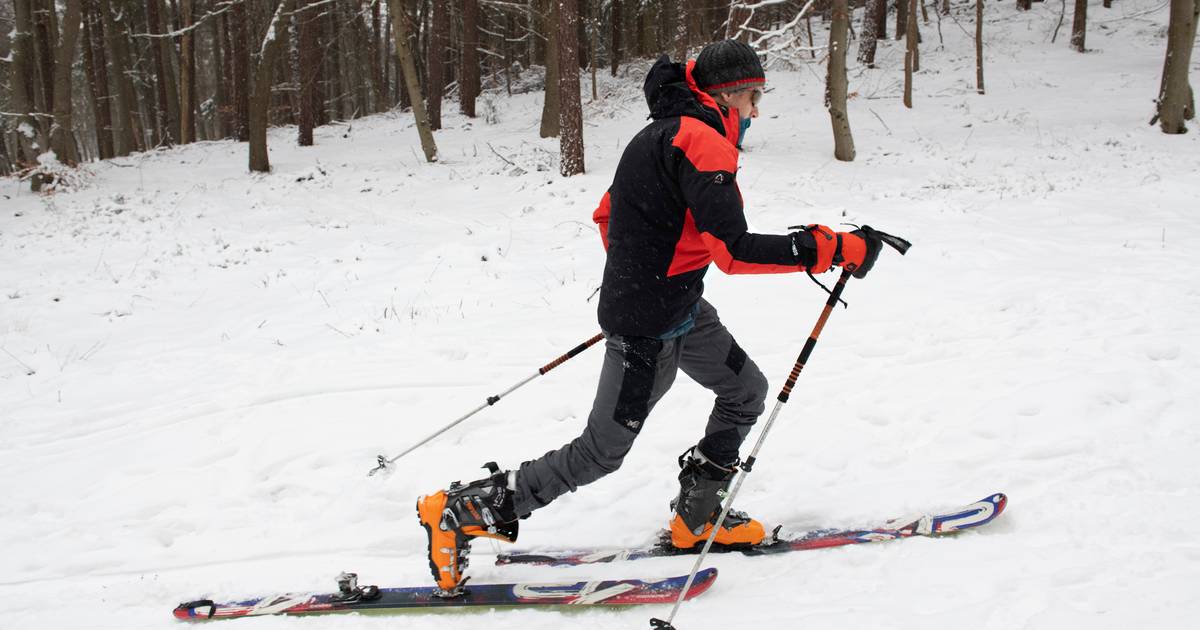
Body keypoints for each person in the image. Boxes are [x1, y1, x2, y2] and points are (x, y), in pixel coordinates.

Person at [415, 40, 883, 596]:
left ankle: (698, 517)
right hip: (648, 327)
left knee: (744, 391)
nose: (757, 112)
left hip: (681, 306)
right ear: (729, 96)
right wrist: (831, 249)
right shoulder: (703, 143)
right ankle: (458, 511)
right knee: (600, 452)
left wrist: (651, 268)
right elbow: (733, 252)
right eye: (755, 98)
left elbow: (608, 215)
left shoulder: (656, 134)